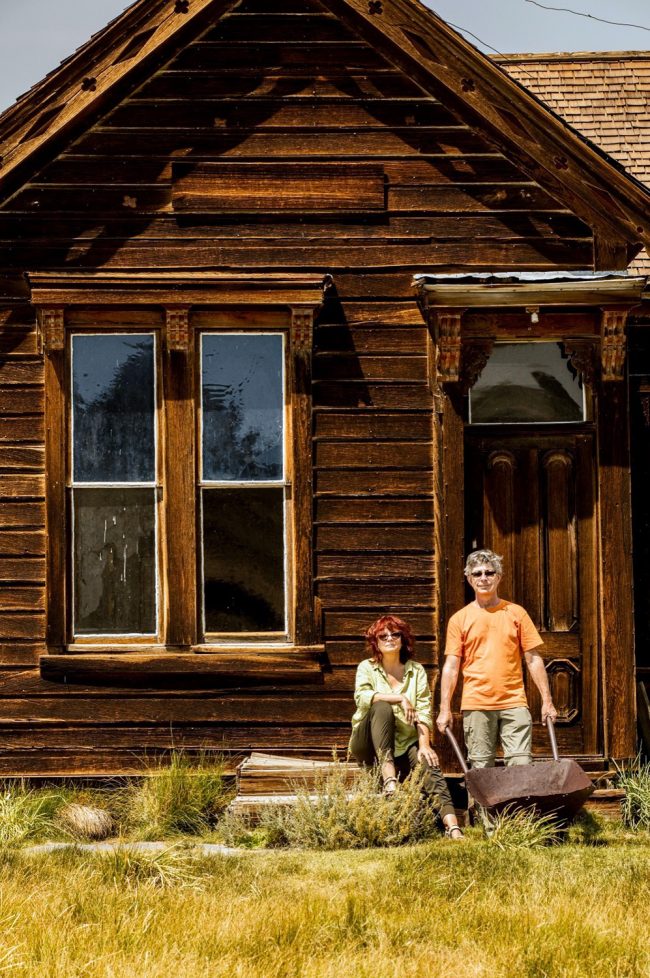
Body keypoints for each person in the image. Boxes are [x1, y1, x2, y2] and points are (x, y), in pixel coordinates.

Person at [436, 549, 558, 769]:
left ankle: (519, 805)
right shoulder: (459, 619)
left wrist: (547, 701)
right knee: (481, 768)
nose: (484, 578)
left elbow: (533, 659)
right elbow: (451, 667)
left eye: (490, 573)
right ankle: (482, 806)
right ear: (469, 579)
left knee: (521, 764)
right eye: (477, 573)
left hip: (514, 701)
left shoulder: (516, 613)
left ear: (499, 577)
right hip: (477, 704)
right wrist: (445, 708)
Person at [349, 614, 464, 839]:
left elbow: (422, 711)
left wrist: (424, 744)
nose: (390, 638)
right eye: (383, 635)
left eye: (395, 634)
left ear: (403, 639)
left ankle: (453, 827)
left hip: (404, 741)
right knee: (381, 706)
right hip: (367, 744)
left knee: (428, 762)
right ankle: (389, 779)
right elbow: (362, 697)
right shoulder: (367, 667)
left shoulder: (416, 670)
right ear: (376, 642)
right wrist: (399, 698)